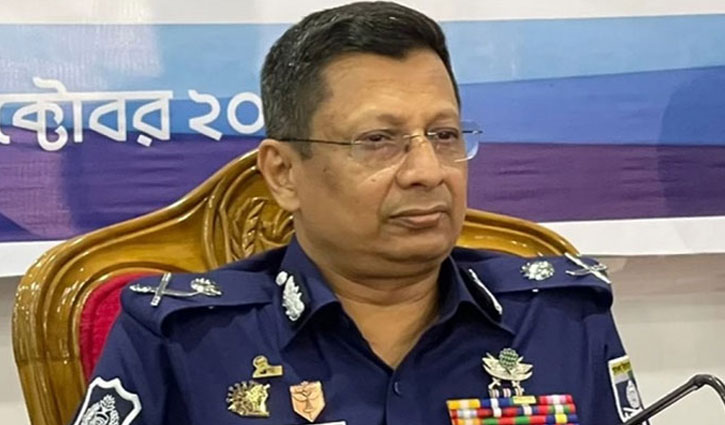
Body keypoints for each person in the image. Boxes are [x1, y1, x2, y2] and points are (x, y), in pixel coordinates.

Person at [70, 2, 646, 425]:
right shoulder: (183, 337)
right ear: (283, 173)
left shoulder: (561, 317)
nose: (428, 171)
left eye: (444, 135)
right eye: (378, 140)